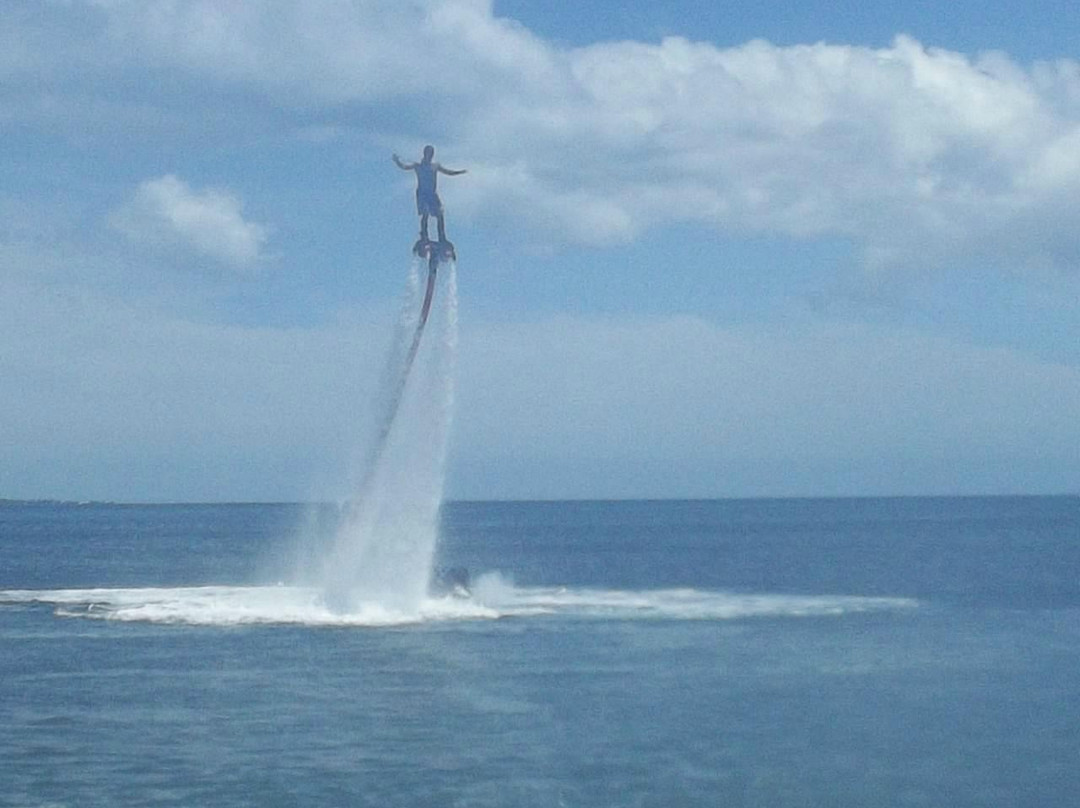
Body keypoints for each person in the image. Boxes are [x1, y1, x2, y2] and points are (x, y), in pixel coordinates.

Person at [392, 145, 466, 243]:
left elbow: (448, 172)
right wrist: (397, 161)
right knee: (425, 213)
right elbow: (405, 167)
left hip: (432, 194)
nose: (430, 156)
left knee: (440, 214)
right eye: (428, 153)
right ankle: (424, 235)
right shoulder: (418, 166)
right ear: (424, 153)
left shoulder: (435, 166)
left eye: (431, 154)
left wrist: (459, 172)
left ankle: (442, 236)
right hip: (422, 194)